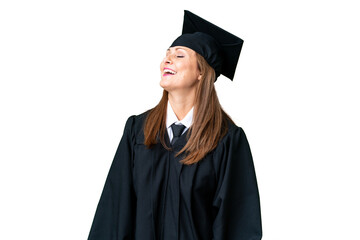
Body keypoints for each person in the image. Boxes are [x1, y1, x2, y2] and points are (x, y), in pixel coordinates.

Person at [88, 10, 262, 240]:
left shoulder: (226, 140)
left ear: (201, 71)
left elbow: (237, 226)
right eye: (166, 54)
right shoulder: (138, 131)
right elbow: (113, 214)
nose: (166, 60)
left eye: (179, 55)